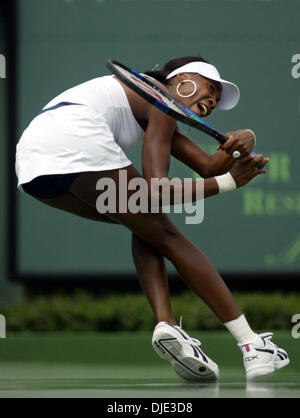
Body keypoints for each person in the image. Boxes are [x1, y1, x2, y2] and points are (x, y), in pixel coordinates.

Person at [15, 55, 289, 381]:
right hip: (76, 134)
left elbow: (206, 164)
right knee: (164, 230)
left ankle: (167, 326)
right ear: (181, 79)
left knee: (144, 223)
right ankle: (251, 344)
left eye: (217, 98)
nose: (214, 100)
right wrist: (229, 182)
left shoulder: (156, 107)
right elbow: (157, 189)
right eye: (210, 87)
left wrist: (245, 139)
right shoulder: (160, 97)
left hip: (33, 161)